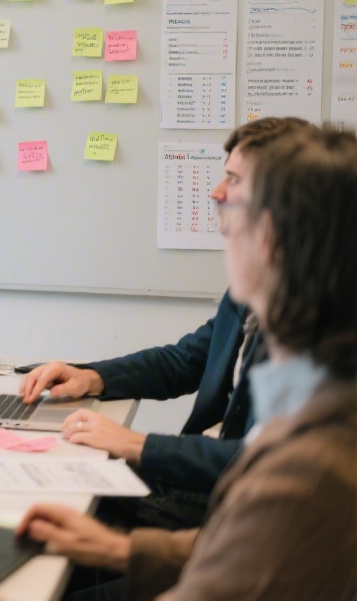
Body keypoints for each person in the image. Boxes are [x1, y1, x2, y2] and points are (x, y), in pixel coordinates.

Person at [0, 125, 357, 601]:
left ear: (271, 238)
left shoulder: (308, 460)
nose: (216, 198)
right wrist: (116, 548)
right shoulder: (314, 402)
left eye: (235, 187)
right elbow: (243, 543)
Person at [16, 116, 311, 530]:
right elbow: (185, 360)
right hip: (194, 485)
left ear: (278, 199)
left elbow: (266, 460)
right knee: (46, 492)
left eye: (233, 179)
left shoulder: (315, 320)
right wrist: (91, 377)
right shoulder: (252, 286)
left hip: (220, 510)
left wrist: (139, 445)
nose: (216, 191)